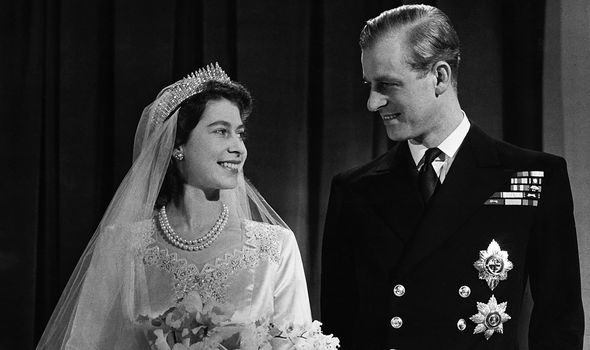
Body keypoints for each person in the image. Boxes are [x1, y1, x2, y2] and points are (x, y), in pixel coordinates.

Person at [320, 5, 584, 349]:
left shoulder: (532, 177)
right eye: (370, 84)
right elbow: (339, 329)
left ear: (440, 77)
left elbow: (559, 323)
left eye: (387, 84)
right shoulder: (354, 190)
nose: (372, 102)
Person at [37, 63, 339, 349]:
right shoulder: (120, 245)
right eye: (221, 131)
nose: (239, 148)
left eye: (240, 133)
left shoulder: (275, 248)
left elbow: (298, 343)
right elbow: (84, 343)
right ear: (177, 145)